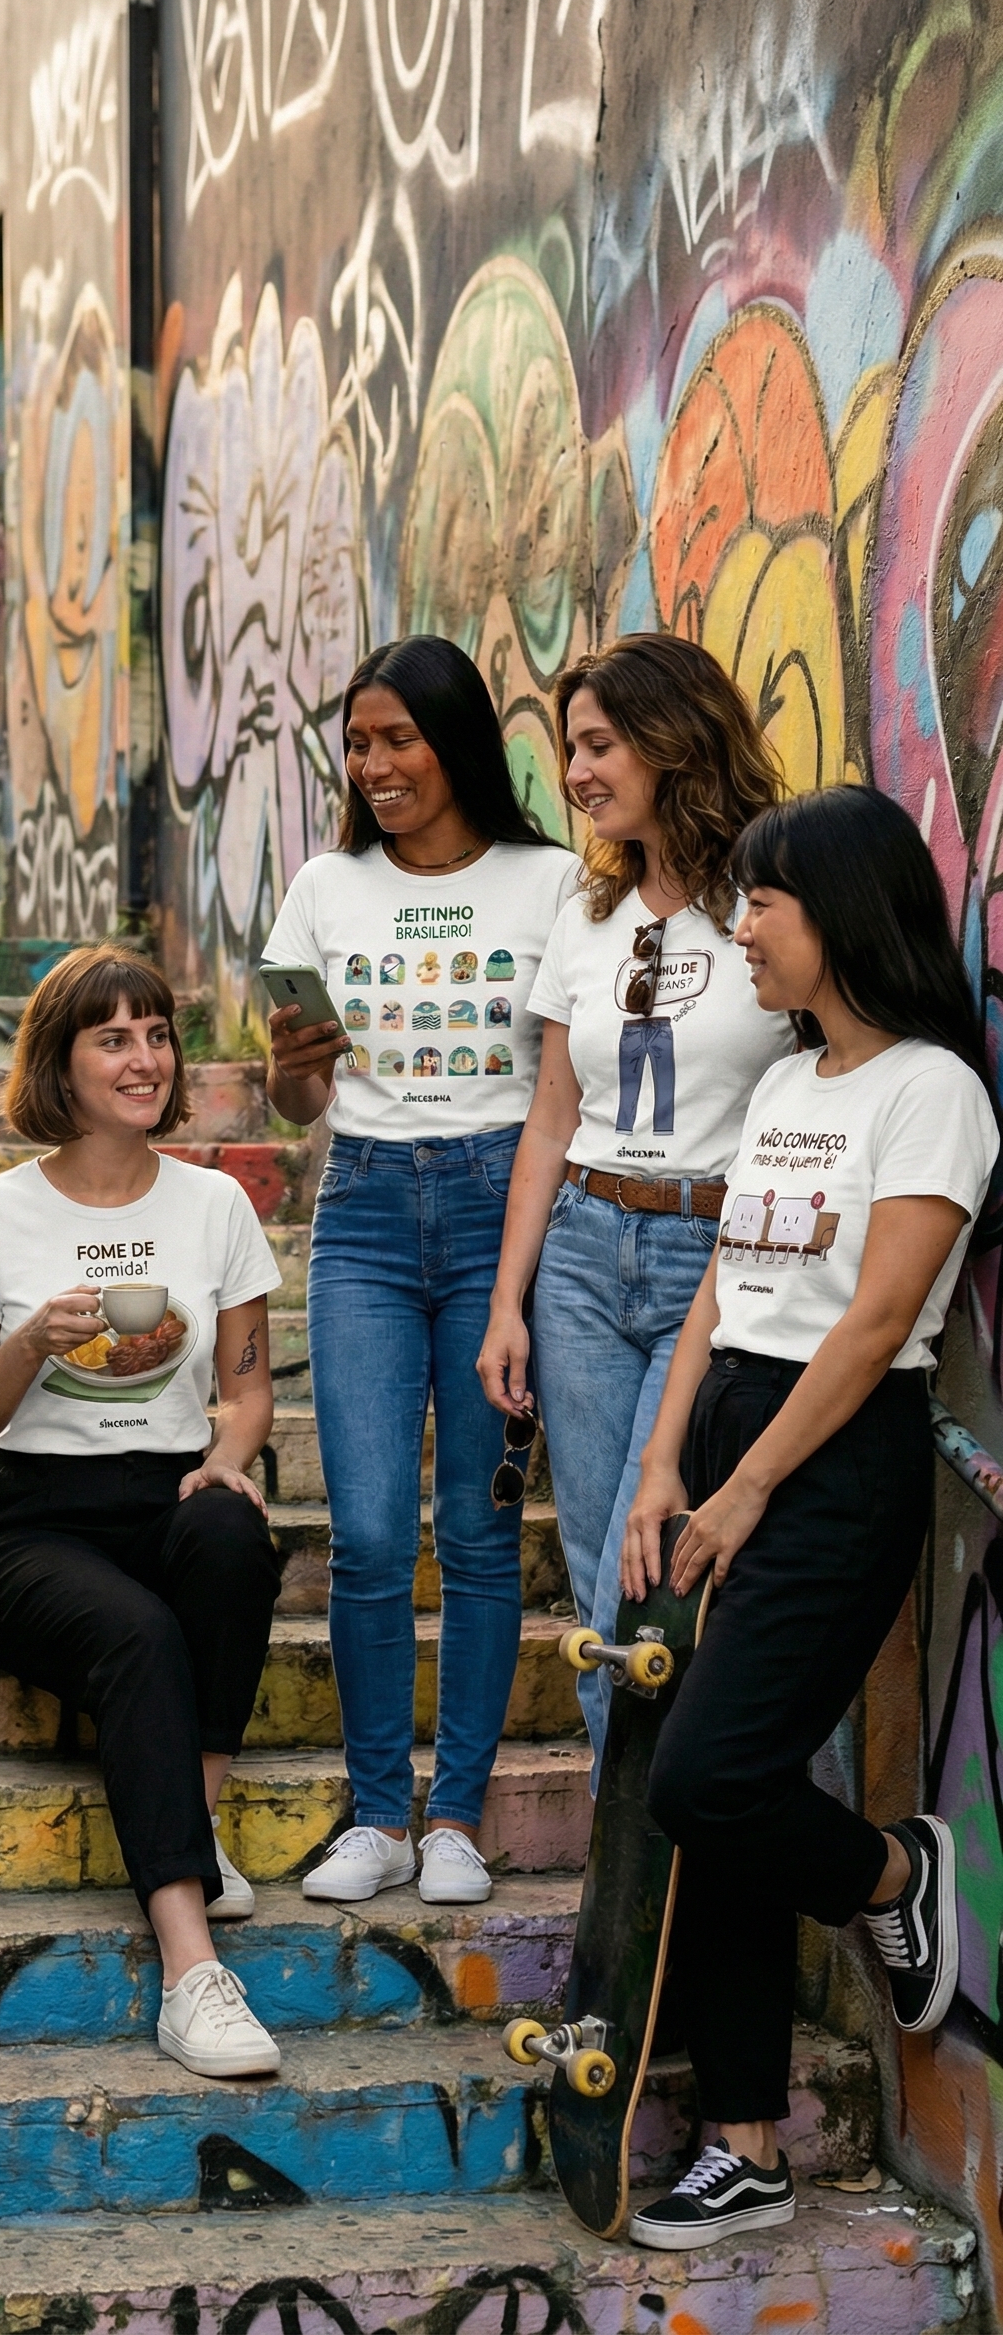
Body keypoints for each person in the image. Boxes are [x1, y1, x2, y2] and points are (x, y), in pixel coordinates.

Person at [613, 784, 997, 2247]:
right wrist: (665, 1466)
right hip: (728, 1433)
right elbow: (724, 1290)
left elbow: (880, 1316)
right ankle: (747, 2144)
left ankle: (896, 1872)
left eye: (764, 901)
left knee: (706, 1780)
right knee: (721, 1791)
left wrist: (749, 1485)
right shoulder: (787, 1085)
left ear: (840, 909)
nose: (743, 928)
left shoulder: (932, 1092)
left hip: (834, 1463)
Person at [262, 637, 578, 1908]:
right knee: (372, 1531)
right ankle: (376, 1816)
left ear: (456, 742)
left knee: (483, 1528)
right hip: (369, 1214)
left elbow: (564, 1077)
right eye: (357, 743)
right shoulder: (322, 889)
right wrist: (299, 1058)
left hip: (505, 1201)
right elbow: (297, 1101)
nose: (376, 765)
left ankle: (456, 1815)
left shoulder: (553, 883)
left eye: (399, 738)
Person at [0, 944, 286, 2079]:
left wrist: (229, 1455)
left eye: (156, 1034)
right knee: (137, 1630)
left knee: (232, 1536)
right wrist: (35, 1340)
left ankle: (189, 1823)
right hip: (32, 1522)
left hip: (172, 1485)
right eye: (111, 1038)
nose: (142, 1059)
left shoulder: (217, 1200)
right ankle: (191, 1971)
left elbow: (244, 1387)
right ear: (61, 1063)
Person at [478, 633, 790, 1764]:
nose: (574, 773)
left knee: (642, 1569)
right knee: (606, 1580)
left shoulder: (769, 890)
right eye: (570, 748)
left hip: (714, 1258)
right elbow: (552, 1114)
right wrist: (507, 1301)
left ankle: (663, 1877)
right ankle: (640, 1873)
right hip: (578, 1253)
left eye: (599, 745)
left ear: (674, 739)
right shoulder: (588, 908)